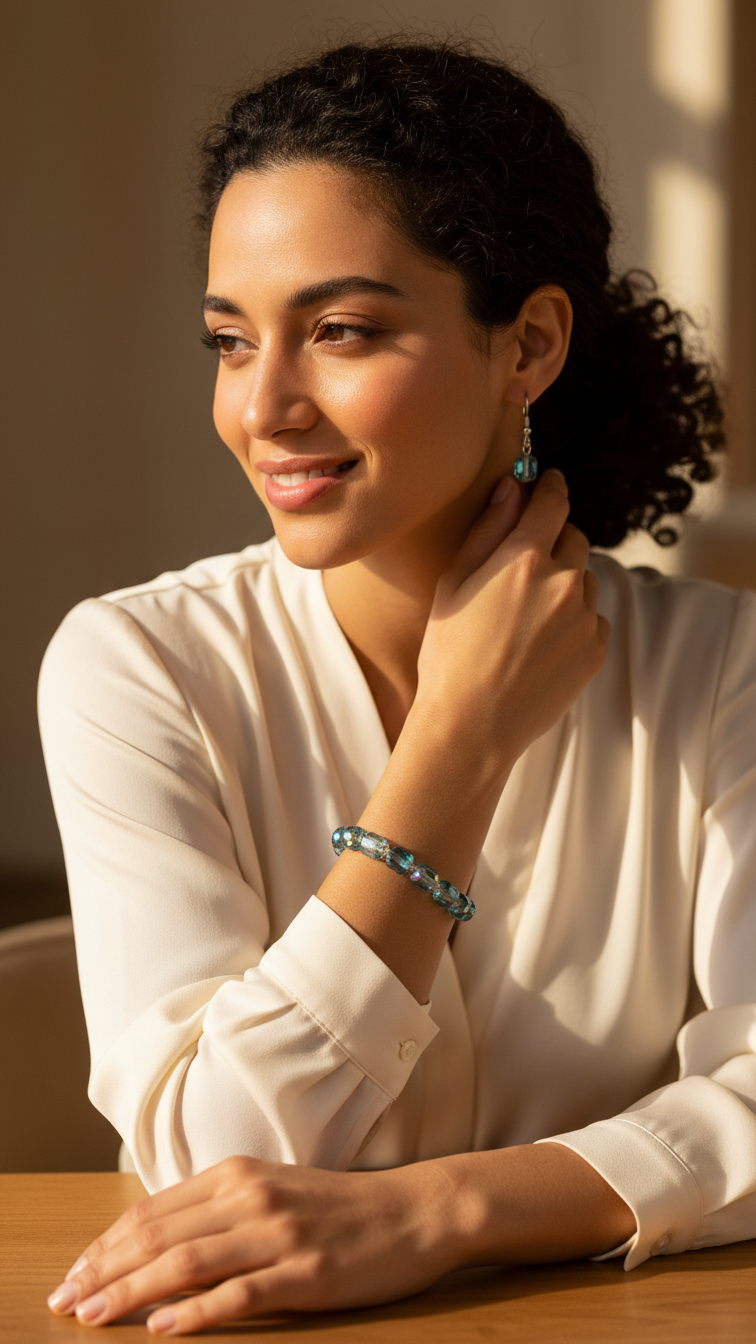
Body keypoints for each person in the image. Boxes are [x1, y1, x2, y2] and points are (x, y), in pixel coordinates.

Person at [40, 37, 755, 1338]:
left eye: (342, 331)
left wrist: (440, 1214)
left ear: (529, 343)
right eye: (229, 340)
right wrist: (456, 748)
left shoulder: (726, 673)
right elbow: (212, 1161)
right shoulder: (139, 667)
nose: (265, 407)